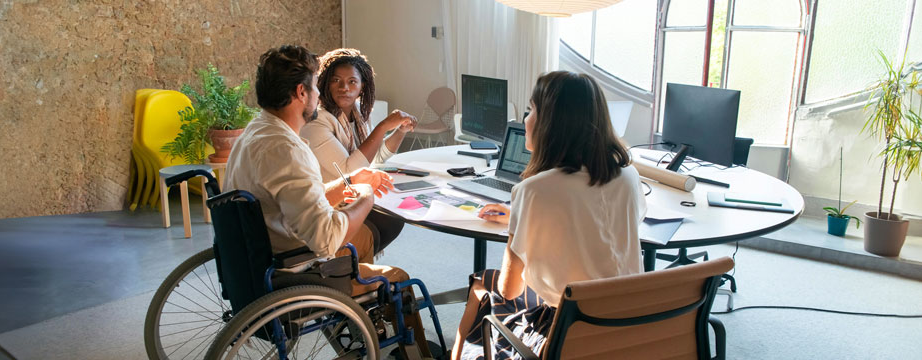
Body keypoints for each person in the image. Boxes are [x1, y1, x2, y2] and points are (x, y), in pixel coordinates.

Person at [222, 45, 433, 355]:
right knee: (400, 280)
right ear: (301, 93)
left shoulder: (255, 133)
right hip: (296, 273)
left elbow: (290, 197)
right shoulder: (288, 150)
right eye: (316, 85)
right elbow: (326, 238)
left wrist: (347, 182)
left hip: (255, 264)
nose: (320, 95)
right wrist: (365, 195)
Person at [451, 71, 646, 359]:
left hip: (563, 334)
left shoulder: (534, 191)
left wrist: (519, 225)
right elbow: (601, 228)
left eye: (531, 110)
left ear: (550, 124)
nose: (525, 120)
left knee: (483, 283)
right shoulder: (629, 175)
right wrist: (525, 218)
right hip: (626, 326)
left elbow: (510, 289)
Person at [301, 48, 417, 257]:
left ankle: (359, 264)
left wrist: (399, 130)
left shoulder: (357, 116)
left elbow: (375, 157)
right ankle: (352, 264)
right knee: (385, 216)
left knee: (395, 212)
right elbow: (348, 171)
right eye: (336, 80)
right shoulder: (318, 120)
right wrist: (383, 127)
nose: (344, 88)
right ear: (326, 83)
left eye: (352, 82)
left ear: (362, 87)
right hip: (329, 206)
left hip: (349, 197)